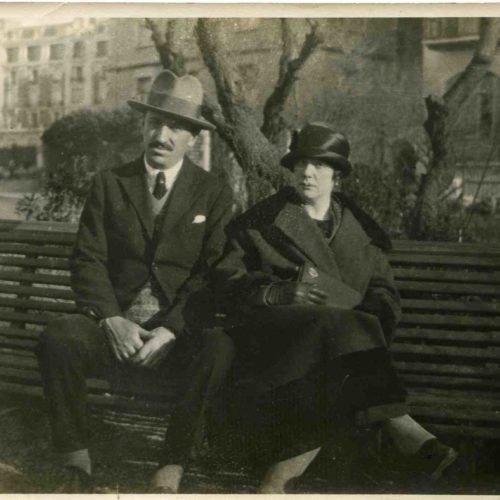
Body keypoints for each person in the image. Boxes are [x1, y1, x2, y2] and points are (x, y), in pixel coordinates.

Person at [214, 122, 457, 493]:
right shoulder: (261, 223)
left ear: (337, 175)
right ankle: (402, 426)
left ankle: (276, 482)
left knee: (340, 348)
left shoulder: (362, 232)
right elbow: (226, 283)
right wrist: (276, 292)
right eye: (300, 164)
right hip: (275, 354)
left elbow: (384, 292)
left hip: (343, 361)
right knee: (340, 335)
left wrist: (369, 317)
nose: (308, 173)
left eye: (320, 165)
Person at [35, 70, 234, 493]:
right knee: (58, 337)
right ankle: (75, 458)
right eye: (154, 123)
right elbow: (87, 259)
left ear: (192, 138)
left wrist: (172, 328)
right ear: (142, 126)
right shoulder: (112, 183)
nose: (162, 135)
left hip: (175, 342)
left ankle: (172, 463)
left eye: (175, 127)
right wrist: (110, 318)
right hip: (115, 336)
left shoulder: (213, 191)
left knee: (219, 346)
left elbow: (212, 273)